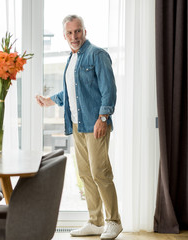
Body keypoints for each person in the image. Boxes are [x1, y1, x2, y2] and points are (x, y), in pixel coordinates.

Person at [35, 15, 122, 240]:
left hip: (95, 124)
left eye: (78, 31)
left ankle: (114, 221)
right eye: (70, 33)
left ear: (85, 31)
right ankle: (95, 222)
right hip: (77, 124)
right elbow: (72, 92)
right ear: (64, 36)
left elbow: (108, 90)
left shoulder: (97, 55)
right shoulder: (71, 59)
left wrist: (103, 118)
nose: (74, 37)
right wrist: (50, 100)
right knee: (85, 174)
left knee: (100, 173)